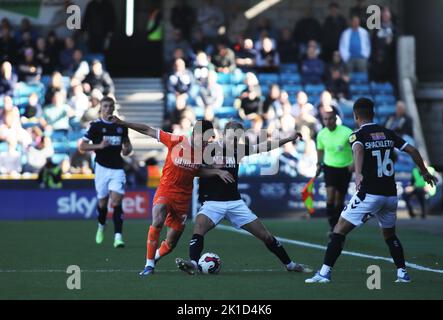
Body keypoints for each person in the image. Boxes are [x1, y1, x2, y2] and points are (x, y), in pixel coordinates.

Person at [305, 98, 437, 284]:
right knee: (390, 235)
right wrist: (424, 173)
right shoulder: (388, 133)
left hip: (370, 193)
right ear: (373, 113)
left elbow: (358, 151)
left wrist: (358, 174)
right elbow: (414, 150)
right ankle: (402, 273)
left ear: (356, 116)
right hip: (391, 195)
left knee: (339, 229)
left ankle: (324, 273)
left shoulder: (357, 135)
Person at [176, 121, 312, 274]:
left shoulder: (238, 150)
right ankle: (193, 263)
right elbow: (193, 168)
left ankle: (290, 265)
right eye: (232, 136)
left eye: (238, 137)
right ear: (224, 133)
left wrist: (287, 139)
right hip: (212, 203)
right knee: (199, 227)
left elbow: (264, 146)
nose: (235, 139)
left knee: (265, 235)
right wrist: (214, 169)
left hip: (235, 203)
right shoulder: (208, 149)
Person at [106, 116, 234, 276]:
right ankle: (149, 265)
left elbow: (196, 170)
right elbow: (147, 129)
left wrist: (216, 170)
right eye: (205, 138)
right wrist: (123, 123)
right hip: (166, 190)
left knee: (171, 243)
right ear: (195, 133)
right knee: (158, 217)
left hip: (183, 199)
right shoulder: (176, 141)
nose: (207, 142)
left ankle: (155, 258)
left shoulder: (206, 151)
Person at [78, 97, 133, 248]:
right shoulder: (95, 126)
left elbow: (127, 149)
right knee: (102, 203)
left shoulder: (121, 126)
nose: (108, 109)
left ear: (114, 108)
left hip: (117, 169)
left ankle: (118, 237)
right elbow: (82, 147)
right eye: (105, 106)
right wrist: (99, 146)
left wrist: (127, 148)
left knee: (116, 201)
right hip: (101, 168)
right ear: (101, 108)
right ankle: (101, 226)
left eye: (110, 106)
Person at [316, 110, 353, 234]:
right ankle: (332, 226)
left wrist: (354, 162)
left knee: (339, 200)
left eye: (330, 119)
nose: (328, 121)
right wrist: (318, 164)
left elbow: (357, 148)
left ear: (335, 119)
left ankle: (338, 224)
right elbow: (320, 151)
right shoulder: (321, 134)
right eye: (325, 119)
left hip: (345, 168)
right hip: (329, 167)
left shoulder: (347, 132)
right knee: (330, 197)